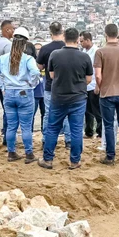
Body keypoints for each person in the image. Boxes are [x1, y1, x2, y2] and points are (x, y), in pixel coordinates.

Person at [39, 27, 94, 169]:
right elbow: (89, 79)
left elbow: (52, 75)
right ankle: (75, 161)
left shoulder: (55, 54)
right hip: (78, 98)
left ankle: (48, 159)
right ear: (77, 40)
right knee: (76, 130)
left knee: (53, 128)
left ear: (64, 38)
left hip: (58, 97)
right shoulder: (84, 57)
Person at [0, 26, 40, 162]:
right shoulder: (28, 59)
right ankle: (29, 154)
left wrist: (1, 85)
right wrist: (32, 83)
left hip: (9, 92)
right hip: (24, 92)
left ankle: (11, 153)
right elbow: (35, 72)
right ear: (25, 43)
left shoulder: (3, 58)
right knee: (26, 126)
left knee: (11, 126)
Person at [93, 23, 119, 164]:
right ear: (117, 34)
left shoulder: (100, 52)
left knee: (109, 125)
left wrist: (99, 87)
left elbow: (98, 75)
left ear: (105, 35)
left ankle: (110, 156)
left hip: (107, 93)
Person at [36, 22, 71, 148]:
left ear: (50, 33)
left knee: (48, 114)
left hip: (50, 86)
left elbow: (39, 67)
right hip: (66, 86)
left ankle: (46, 139)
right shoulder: (67, 47)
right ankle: (68, 140)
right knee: (66, 114)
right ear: (62, 31)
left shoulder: (45, 49)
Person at [0, 20, 14, 148]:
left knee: (6, 109)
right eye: (12, 29)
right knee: (9, 110)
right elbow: (11, 64)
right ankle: (7, 137)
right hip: (7, 82)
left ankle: (6, 135)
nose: (13, 31)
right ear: (6, 30)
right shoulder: (8, 45)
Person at [79, 31, 101, 141]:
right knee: (87, 111)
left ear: (88, 40)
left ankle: (100, 131)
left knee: (97, 110)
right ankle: (88, 131)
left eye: (82, 41)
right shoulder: (83, 52)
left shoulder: (96, 52)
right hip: (85, 86)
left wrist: (98, 85)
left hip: (93, 85)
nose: (81, 43)